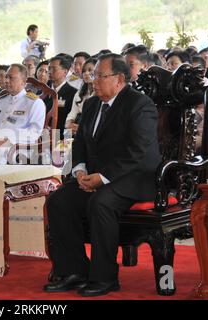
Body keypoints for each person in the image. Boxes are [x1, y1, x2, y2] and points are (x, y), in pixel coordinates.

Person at [43, 53, 161, 297]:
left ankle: (104, 277)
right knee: (58, 201)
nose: (93, 81)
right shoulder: (91, 103)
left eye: (99, 76)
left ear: (118, 79)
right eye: (92, 75)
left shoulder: (139, 104)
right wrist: (80, 170)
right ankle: (73, 270)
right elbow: (81, 143)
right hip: (96, 176)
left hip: (133, 178)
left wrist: (102, 178)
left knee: (101, 202)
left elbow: (137, 152)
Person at [48, 55, 77, 139]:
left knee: (60, 153)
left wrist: (66, 141)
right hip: (44, 135)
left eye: (54, 69)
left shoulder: (73, 93)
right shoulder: (43, 92)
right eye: (49, 68)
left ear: (65, 71)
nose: (50, 71)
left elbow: (71, 120)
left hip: (63, 136)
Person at [65, 58, 96, 136]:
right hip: (77, 126)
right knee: (66, 136)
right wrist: (69, 123)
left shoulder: (101, 93)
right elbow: (73, 112)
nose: (86, 73)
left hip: (91, 130)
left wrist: (81, 128)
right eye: (84, 71)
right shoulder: (80, 92)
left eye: (90, 70)